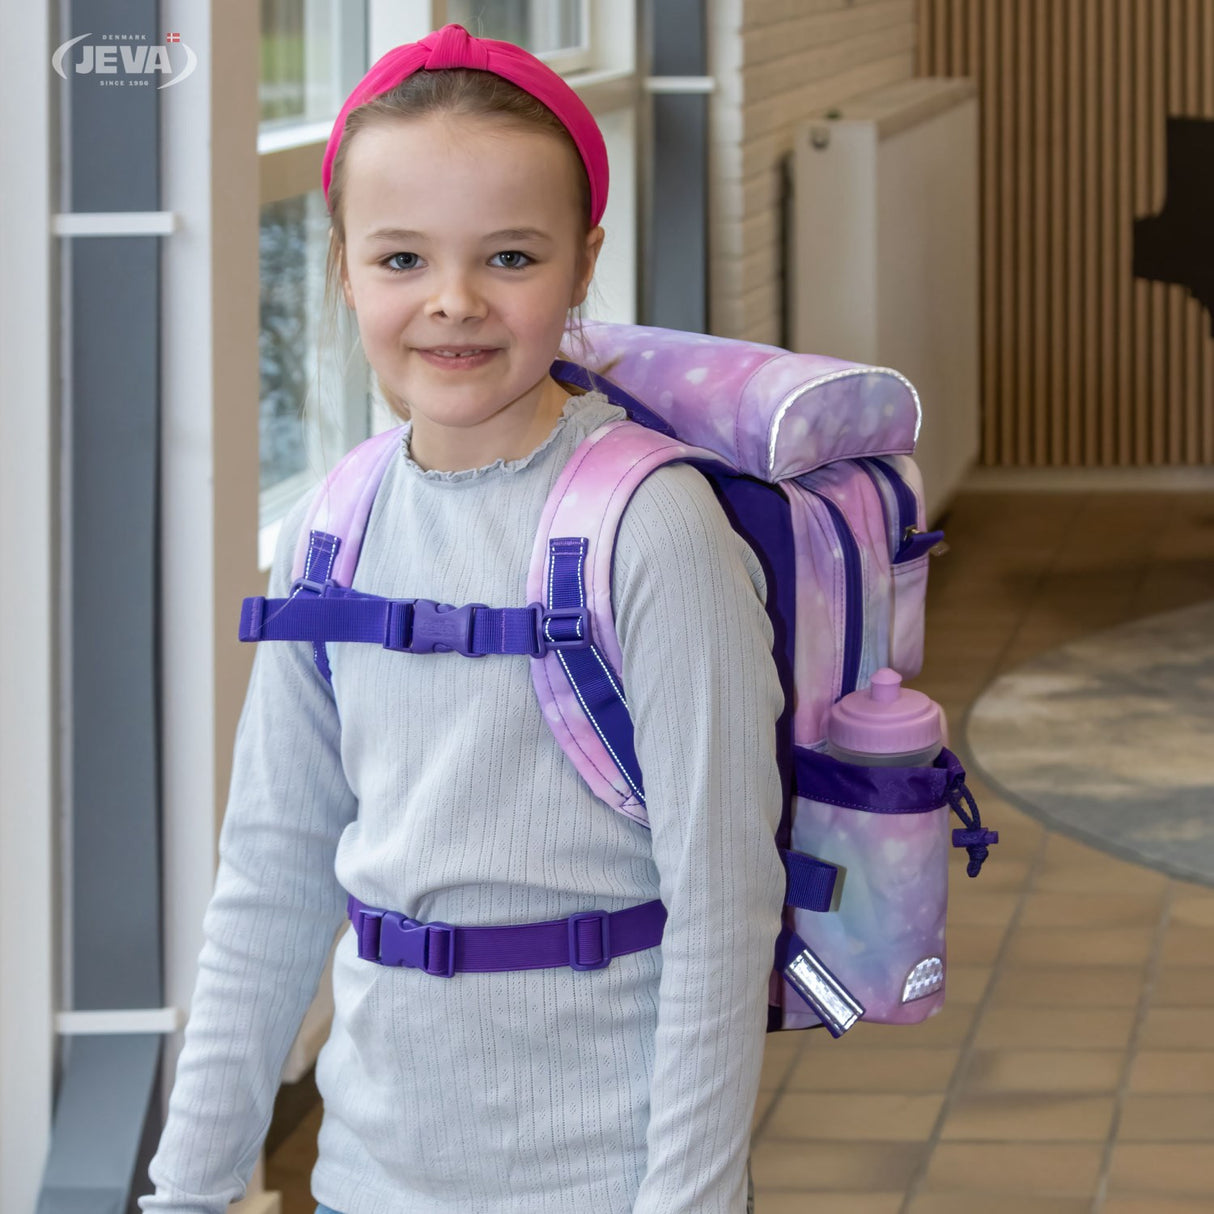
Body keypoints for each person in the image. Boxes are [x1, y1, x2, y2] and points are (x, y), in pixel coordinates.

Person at [143, 24, 784, 1214]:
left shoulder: (655, 530)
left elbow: (722, 904)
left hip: (603, 1180)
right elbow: (271, 876)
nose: (452, 301)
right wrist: (186, 1186)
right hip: (366, 1174)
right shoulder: (331, 526)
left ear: (582, 264)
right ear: (343, 266)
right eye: (401, 257)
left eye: (508, 256)